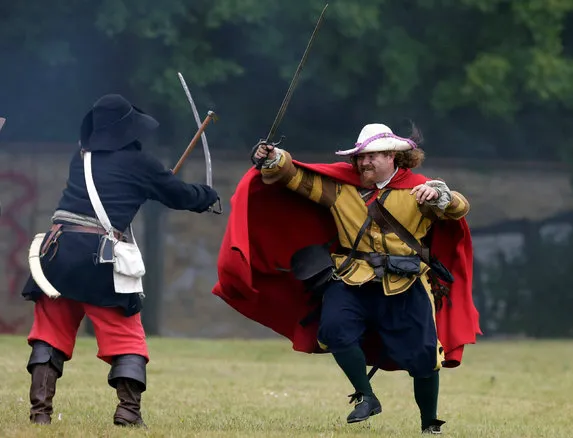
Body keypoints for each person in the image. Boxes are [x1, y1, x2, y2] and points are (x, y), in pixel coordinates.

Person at [212, 122, 481, 434]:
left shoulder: (420, 188)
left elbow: (459, 208)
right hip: (352, 278)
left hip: (405, 283)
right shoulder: (340, 186)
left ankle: (429, 425)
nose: (365, 162)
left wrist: (440, 195)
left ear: (393, 156)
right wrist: (272, 158)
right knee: (334, 330)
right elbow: (295, 177)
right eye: (361, 157)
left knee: (424, 357)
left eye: (373, 156)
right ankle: (366, 396)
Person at [22, 94, 220, 427]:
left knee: (50, 332)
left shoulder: (80, 157)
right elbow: (180, 195)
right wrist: (208, 195)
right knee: (125, 334)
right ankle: (128, 412)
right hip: (99, 256)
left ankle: (40, 413)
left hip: (57, 251)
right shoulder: (141, 164)